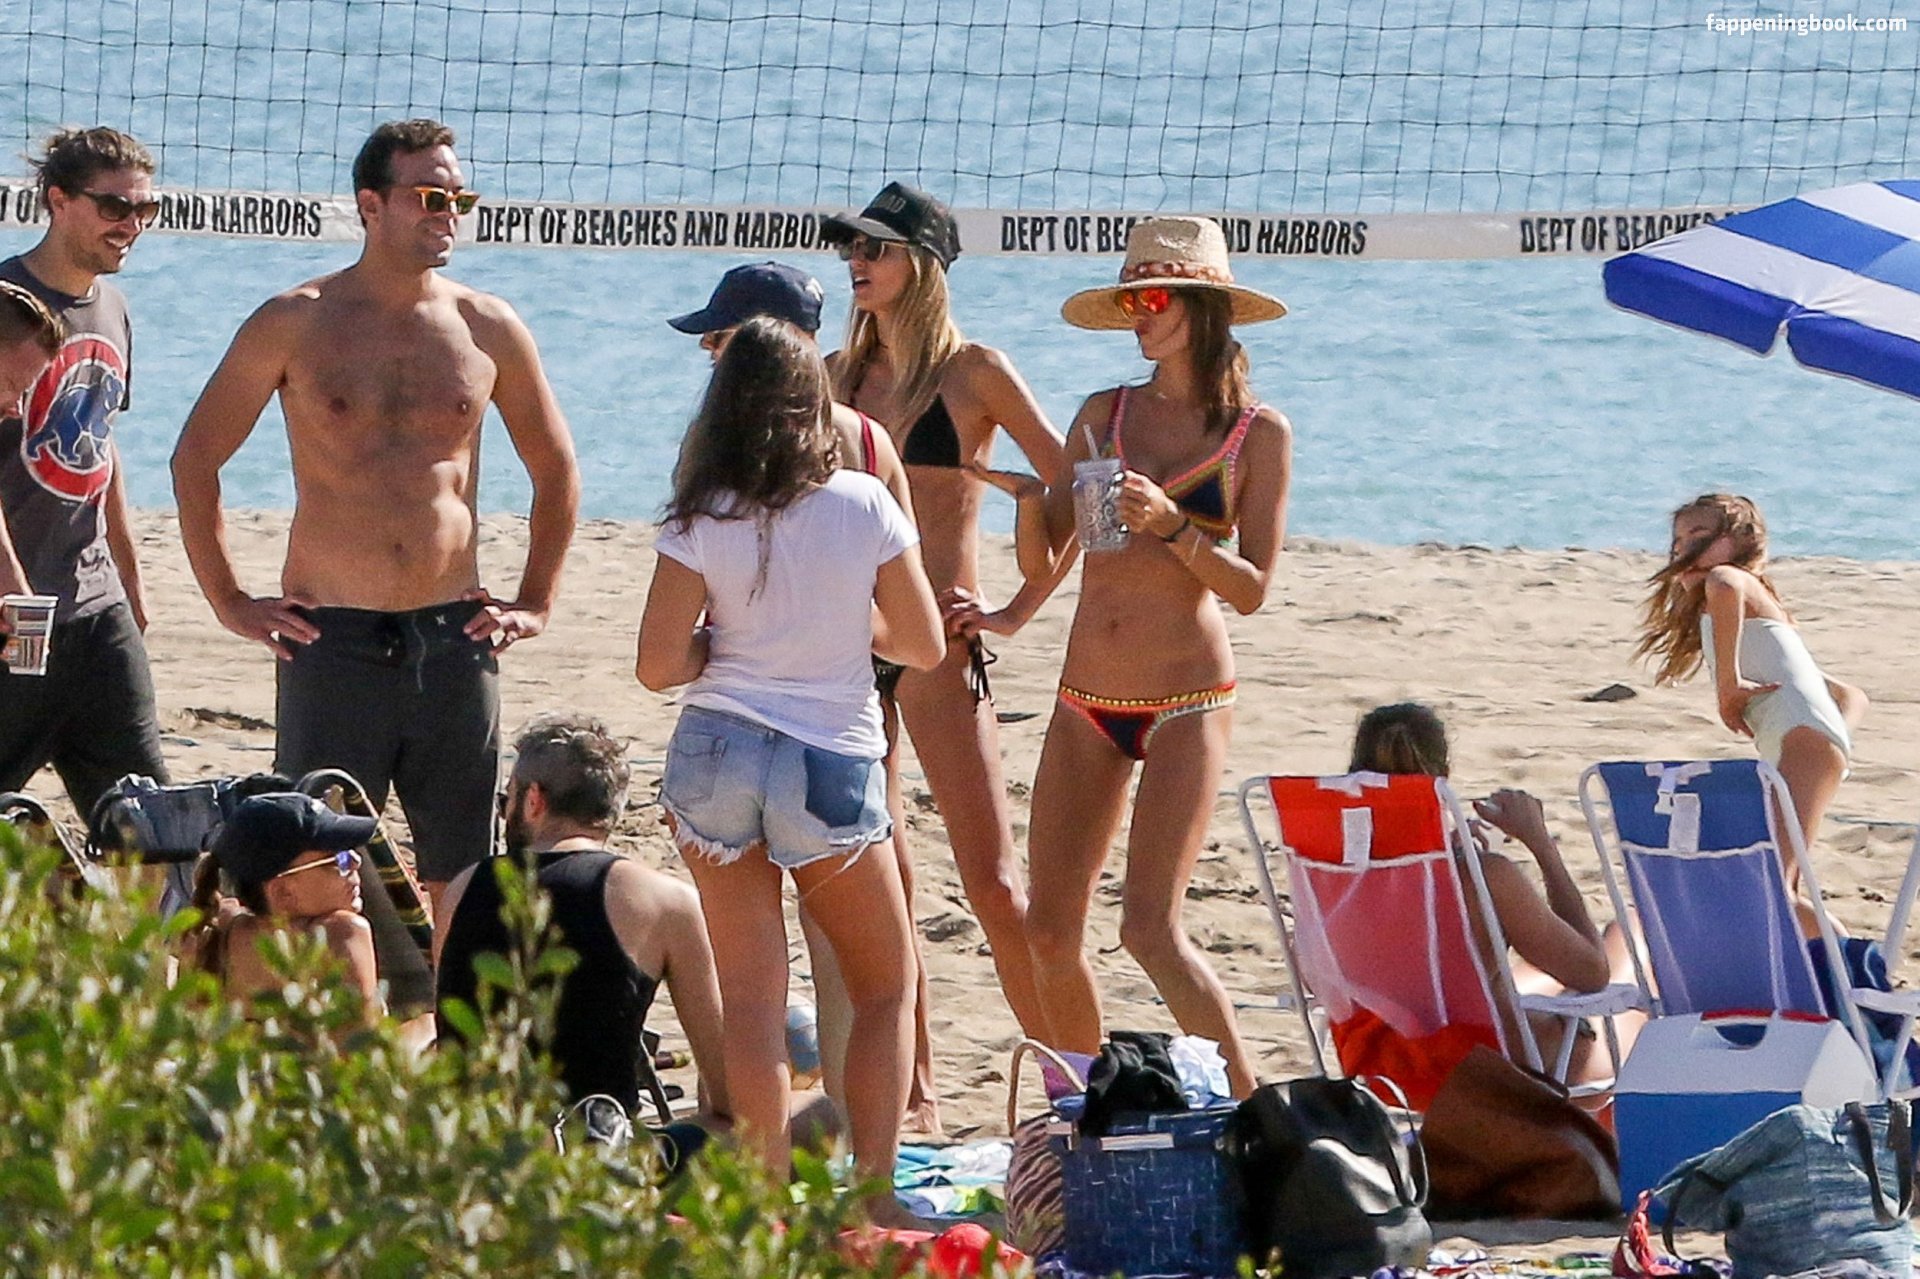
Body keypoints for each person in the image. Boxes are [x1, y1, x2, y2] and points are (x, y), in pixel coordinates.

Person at [171, 119, 581, 927]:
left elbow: (557, 469)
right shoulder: (295, 320)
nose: (448, 213)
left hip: (453, 636)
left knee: (464, 874)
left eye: (457, 197)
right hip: (332, 638)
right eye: (429, 196)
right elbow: (195, 460)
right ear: (370, 204)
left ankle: (451, 1010)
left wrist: (536, 600)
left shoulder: (487, 326)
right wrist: (230, 600)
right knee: (309, 865)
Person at [635, 316, 944, 1220]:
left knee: (751, 1001)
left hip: (718, 750)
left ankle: (766, 1206)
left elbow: (657, 665)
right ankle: (875, 1199)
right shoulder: (864, 502)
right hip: (826, 755)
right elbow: (923, 644)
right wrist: (848, 627)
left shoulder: (701, 513)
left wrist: (719, 644)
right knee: (885, 984)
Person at [1005, 216, 1290, 1097]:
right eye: (1130, 299)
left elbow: (1251, 588)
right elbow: (1050, 555)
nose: (1139, 314)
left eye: (1154, 297)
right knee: (1048, 932)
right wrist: (1027, 504)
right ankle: (1088, 1103)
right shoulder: (1105, 415)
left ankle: (1252, 1112)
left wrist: (1174, 528)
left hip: (1187, 697)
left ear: (1202, 306)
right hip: (1086, 696)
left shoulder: (1256, 433)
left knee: (1150, 931)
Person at [820, 182, 1067, 1055]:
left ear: (923, 266)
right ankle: (916, 1088)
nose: (856, 260)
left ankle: (1070, 1076)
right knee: (879, 877)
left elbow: (1079, 489)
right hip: (849, 644)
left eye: (874, 248)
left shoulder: (974, 373)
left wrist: (1017, 608)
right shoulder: (835, 377)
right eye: (851, 246)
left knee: (993, 884)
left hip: (938, 644)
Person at [436, 713, 777, 1176]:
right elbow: (725, 1089)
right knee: (798, 1120)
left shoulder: (462, 889)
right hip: (597, 1164)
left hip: (472, 1158)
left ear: (533, 801)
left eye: (506, 801)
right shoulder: (663, 900)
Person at [0, 129, 172, 870]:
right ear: (58, 200)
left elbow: (101, 448)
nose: (130, 224)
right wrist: (12, 587)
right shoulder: (8, 307)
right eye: (114, 207)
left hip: (94, 613)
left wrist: (129, 578)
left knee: (154, 828)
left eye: (145, 209)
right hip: (17, 615)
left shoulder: (114, 308)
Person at [1348, 702, 1613, 1082]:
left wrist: (1442, 849)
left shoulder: (1330, 878)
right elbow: (1592, 974)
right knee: (1627, 942)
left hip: (1385, 1069)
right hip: (1500, 1075)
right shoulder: (1483, 877)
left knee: (1522, 975)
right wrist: (1541, 844)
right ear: (1442, 778)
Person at [1634, 493, 1867, 880]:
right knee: (1780, 884)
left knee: (1772, 879)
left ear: (1743, 541)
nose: (1684, 549)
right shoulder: (1750, 614)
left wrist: (1729, 687)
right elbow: (1849, 696)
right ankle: (1828, 933)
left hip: (1801, 744)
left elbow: (1724, 584)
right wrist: (1833, 739)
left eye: (1699, 536)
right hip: (1797, 743)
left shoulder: (1732, 579)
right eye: (1676, 543)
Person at [181, 792, 381, 1023]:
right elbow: (362, 1040)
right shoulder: (342, 932)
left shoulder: (213, 929)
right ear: (282, 891)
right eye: (338, 860)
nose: (356, 862)